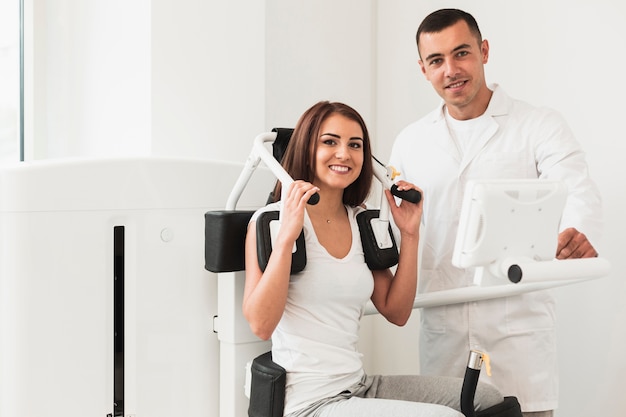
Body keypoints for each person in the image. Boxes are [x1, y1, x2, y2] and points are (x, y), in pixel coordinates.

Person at [389, 8, 603, 417]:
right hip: (443, 332)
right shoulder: (411, 142)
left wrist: (575, 229)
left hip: (518, 335)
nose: (451, 70)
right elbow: (398, 231)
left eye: (462, 53)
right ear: (423, 69)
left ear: (484, 51)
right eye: (436, 61)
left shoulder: (538, 125)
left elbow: (576, 189)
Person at [243, 101, 504, 417]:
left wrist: (410, 234)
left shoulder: (362, 221)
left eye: (355, 145)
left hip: (358, 385)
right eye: (330, 142)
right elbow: (260, 324)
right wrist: (286, 238)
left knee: (488, 399)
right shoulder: (270, 222)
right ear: (306, 149)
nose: (344, 154)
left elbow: (396, 311)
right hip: (308, 402)